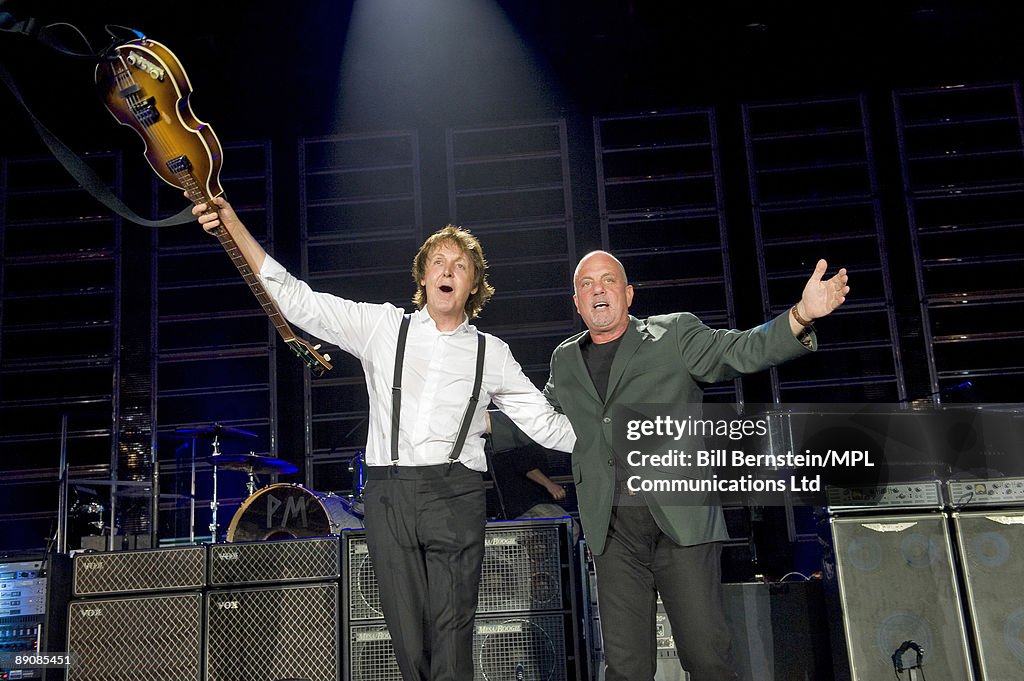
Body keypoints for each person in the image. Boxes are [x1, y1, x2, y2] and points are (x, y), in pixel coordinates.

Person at [190, 197, 575, 681]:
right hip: (390, 494)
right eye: (439, 261)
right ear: (423, 277)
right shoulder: (382, 327)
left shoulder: (491, 353)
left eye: (460, 265)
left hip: (457, 496)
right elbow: (296, 299)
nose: (448, 270)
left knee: (452, 631)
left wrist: (612, 446)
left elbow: (545, 422)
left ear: (473, 284)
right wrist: (231, 222)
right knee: (407, 638)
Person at [499, 250, 848, 681]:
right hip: (612, 531)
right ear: (576, 301)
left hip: (681, 523)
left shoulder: (674, 333)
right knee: (626, 669)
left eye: (607, 280)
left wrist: (799, 316)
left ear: (627, 294)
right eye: (587, 284)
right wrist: (470, 417)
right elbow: (538, 420)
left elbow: (738, 350)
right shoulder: (564, 360)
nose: (598, 289)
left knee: (706, 659)